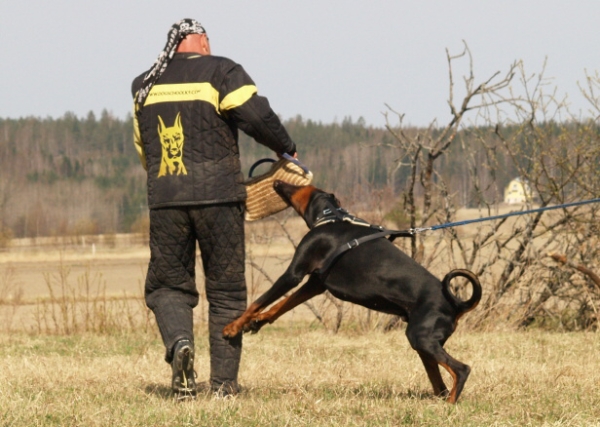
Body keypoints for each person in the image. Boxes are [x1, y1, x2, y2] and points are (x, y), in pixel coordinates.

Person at [131, 18, 297, 400]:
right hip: (220, 197)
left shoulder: (144, 83)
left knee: (168, 285)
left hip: (167, 198)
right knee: (226, 291)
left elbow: (143, 148)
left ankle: (179, 345)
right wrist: (286, 147)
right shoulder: (221, 70)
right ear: (202, 41)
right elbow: (256, 117)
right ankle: (223, 386)